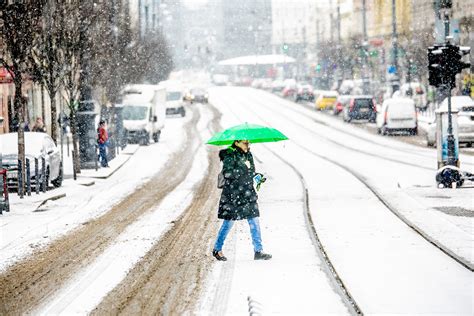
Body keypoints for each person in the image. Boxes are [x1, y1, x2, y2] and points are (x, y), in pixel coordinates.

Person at [212, 139, 272, 261]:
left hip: (247, 194)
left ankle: (258, 251)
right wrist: (244, 170)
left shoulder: (248, 154)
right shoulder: (229, 154)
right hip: (233, 196)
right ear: (237, 142)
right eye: (245, 143)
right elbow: (228, 173)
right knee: (228, 223)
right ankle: (217, 249)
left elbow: (250, 172)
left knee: (254, 221)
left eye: (248, 143)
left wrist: (256, 176)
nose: (247, 145)